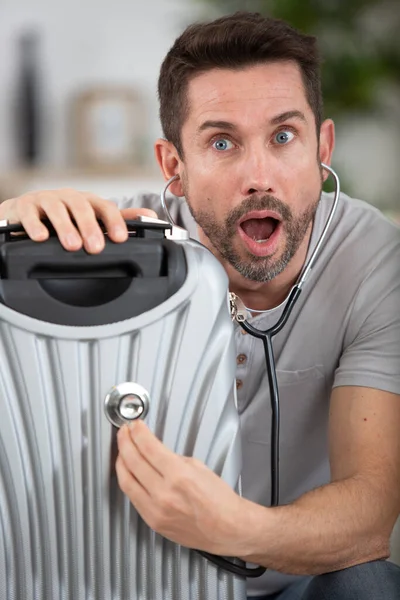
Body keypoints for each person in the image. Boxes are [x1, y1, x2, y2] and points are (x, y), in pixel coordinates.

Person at [1, 11, 399, 600]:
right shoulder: (114, 240)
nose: (259, 175)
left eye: (284, 136)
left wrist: (230, 528)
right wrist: (8, 225)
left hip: (306, 579)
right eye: (222, 142)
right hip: (148, 580)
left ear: (323, 146)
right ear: (173, 167)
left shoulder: (375, 260)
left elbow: (368, 517)